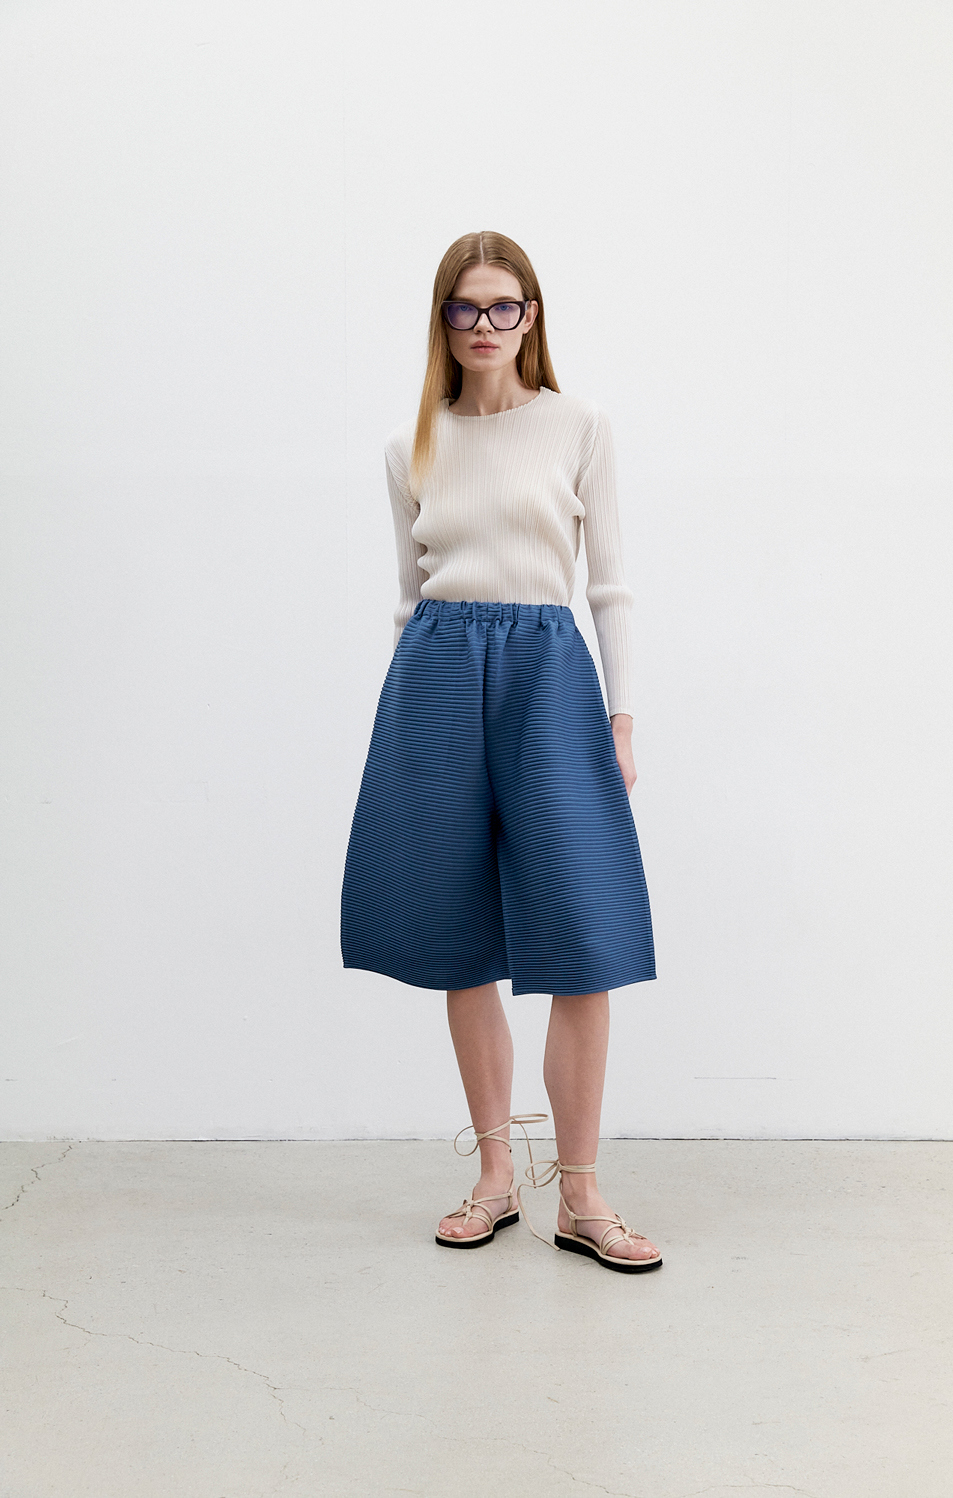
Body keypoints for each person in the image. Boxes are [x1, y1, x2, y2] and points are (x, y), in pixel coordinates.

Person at [341, 231, 661, 1273]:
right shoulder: (412, 445)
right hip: (435, 676)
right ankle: (492, 1179)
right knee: (458, 934)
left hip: (547, 672)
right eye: (464, 308)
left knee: (584, 931)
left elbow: (609, 585)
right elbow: (408, 597)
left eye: (503, 306)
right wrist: (401, 727)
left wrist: (621, 718)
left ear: (531, 316)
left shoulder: (579, 424)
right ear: (441, 321)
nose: (484, 326)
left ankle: (581, 1193)